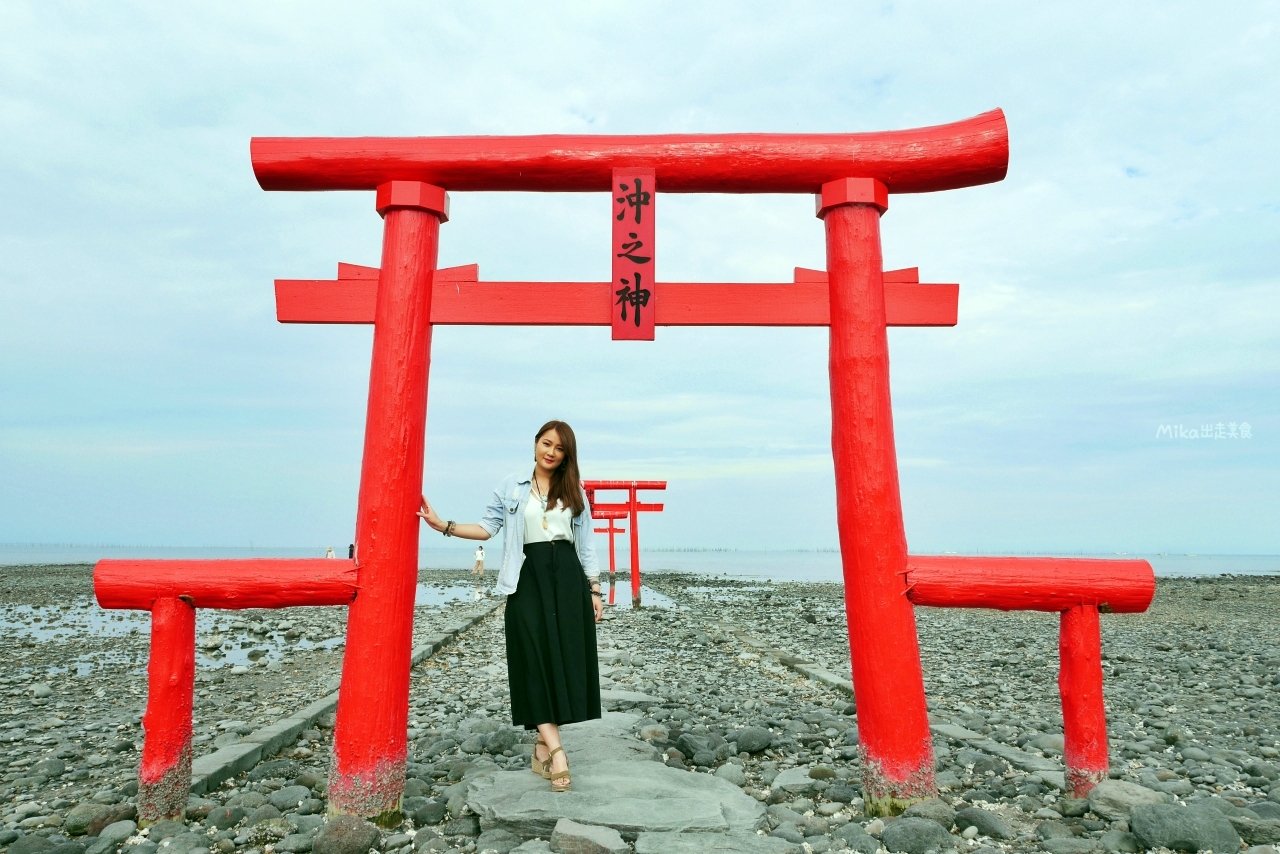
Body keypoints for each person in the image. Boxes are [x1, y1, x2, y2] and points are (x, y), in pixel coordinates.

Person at [418, 420, 602, 792]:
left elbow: (586, 543)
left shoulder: (573, 489)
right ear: (535, 444)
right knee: (533, 660)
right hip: (527, 577)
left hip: (566, 577)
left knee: (562, 661)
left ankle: (542, 749)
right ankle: (558, 753)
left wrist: (595, 589)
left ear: (567, 454)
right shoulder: (511, 486)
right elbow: (488, 529)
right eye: (546, 443)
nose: (551, 452)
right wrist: (443, 525)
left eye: (559, 448)